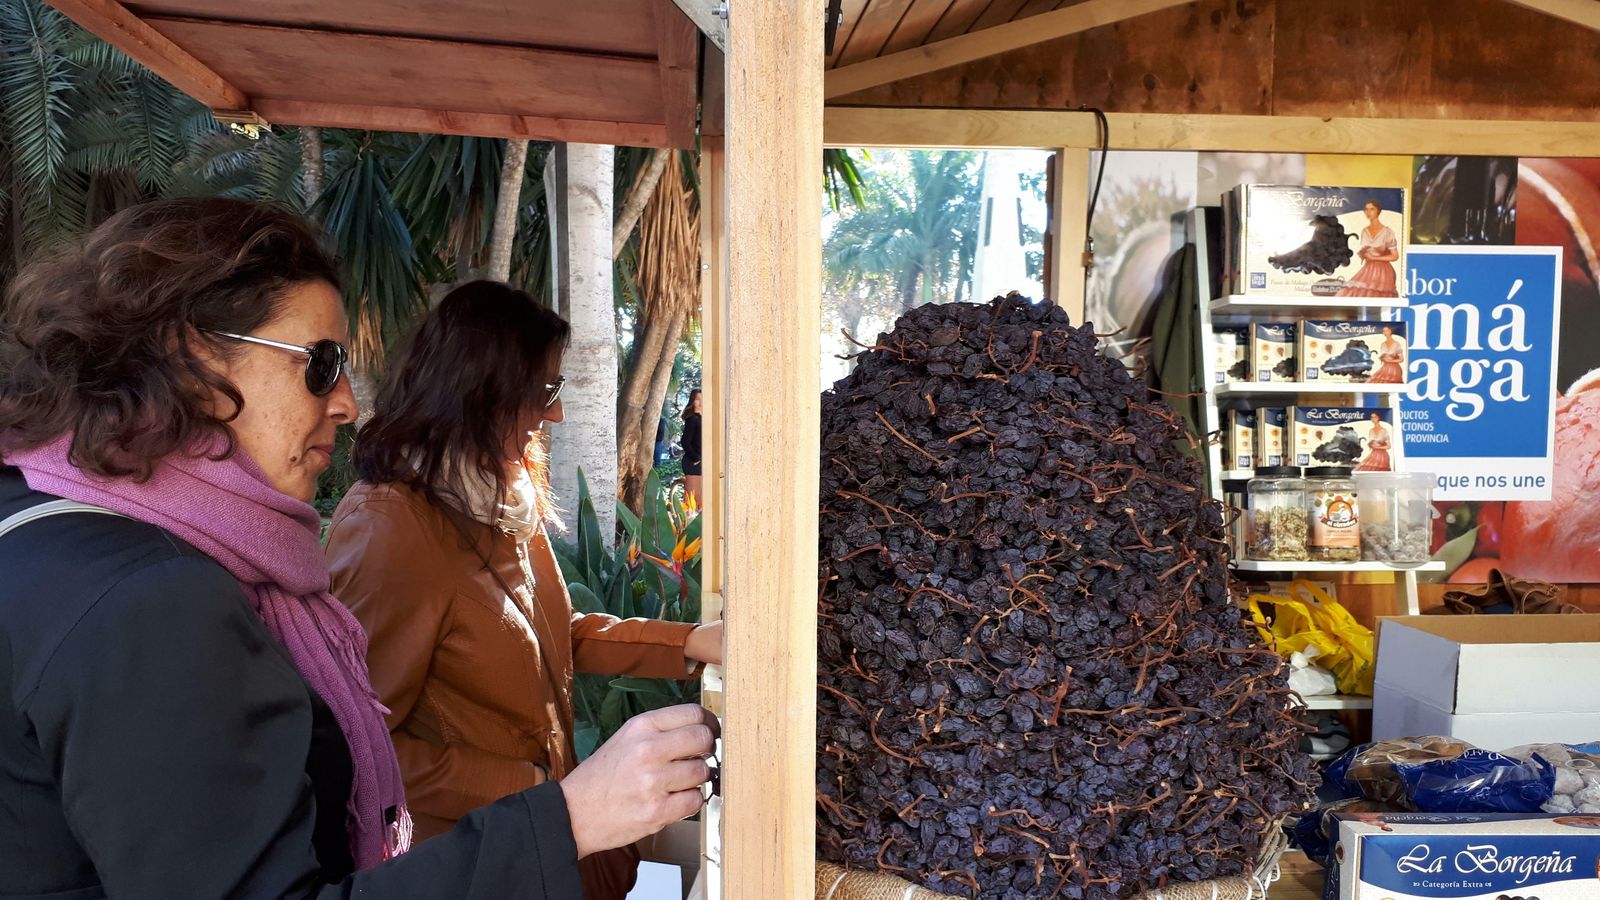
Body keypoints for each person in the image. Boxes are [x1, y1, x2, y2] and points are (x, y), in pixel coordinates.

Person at [0, 199, 715, 899]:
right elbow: (379, 734)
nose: (345, 401)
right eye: (319, 363)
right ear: (190, 362)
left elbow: (558, 635)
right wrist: (558, 810)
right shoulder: (154, 598)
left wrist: (691, 643)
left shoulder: (60, 534)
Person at [325, 281, 723, 900]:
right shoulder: (388, 528)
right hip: (478, 862)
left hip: (557, 839)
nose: (556, 413)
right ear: (477, 391)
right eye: (544, 392)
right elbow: (364, 745)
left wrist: (696, 642)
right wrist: (532, 783)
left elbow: (559, 634)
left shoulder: (497, 496)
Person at [1337, 199, 1400, 298]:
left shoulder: (1387, 232)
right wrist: (1363, 254)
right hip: (1368, 268)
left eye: (1372, 209)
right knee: (1349, 293)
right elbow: (1364, 250)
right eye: (1366, 209)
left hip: (1383, 272)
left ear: (1378, 211)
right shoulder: (1364, 231)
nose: (1368, 212)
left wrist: (1374, 258)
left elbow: (1395, 256)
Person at [681, 388, 703, 507]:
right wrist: (695, 458)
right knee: (694, 505)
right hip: (693, 463)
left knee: (702, 503)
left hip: (702, 463)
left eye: (702, 399)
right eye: (697, 399)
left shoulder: (703, 419)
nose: (701, 402)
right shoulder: (692, 419)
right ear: (692, 401)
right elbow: (685, 441)